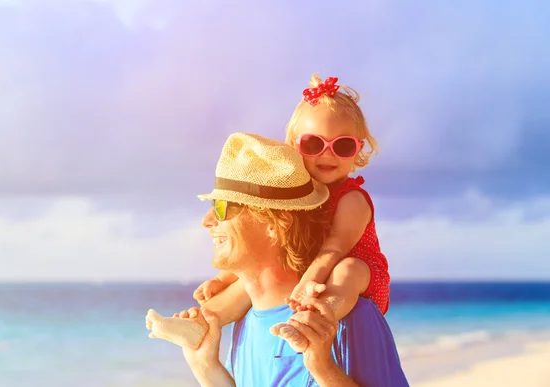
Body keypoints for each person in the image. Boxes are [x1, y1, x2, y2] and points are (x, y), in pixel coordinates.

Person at [146, 75, 390, 352]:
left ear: (359, 149)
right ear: (295, 147)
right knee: (254, 278)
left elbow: (336, 248)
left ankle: (316, 320)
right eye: (314, 144)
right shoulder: (298, 196)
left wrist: (309, 281)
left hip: (355, 276)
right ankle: (200, 324)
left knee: (348, 269)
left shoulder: (352, 199)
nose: (328, 155)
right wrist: (222, 278)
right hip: (310, 273)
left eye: (343, 146)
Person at [146, 132, 408, 386]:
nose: (207, 221)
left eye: (222, 207)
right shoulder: (247, 322)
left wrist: (322, 368)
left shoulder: (346, 318)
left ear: (275, 224)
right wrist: (205, 367)